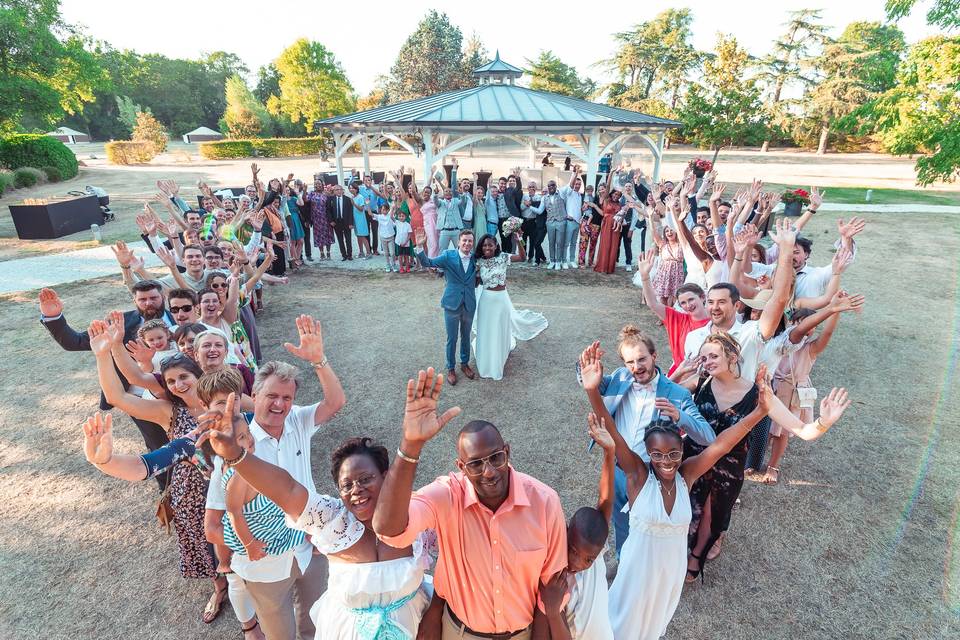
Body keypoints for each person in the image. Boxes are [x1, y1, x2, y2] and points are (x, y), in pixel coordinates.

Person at [202, 393, 437, 640]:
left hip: (414, 626)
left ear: (386, 476)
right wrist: (236, 456)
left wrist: (412, 444)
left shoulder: (417, 513)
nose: (356, 489)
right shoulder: (331, 518)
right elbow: (288, 489)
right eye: (347, 485)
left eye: (366, 479)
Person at [579, 342, 770, 640]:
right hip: (636, 573)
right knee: (620, 627)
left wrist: (759, 411)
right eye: (657, 454)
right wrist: (592, 391)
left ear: (682, 451)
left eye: (672, 454)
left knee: (653, 628)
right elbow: (614, 434)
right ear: (648, 454)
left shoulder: (687, 476)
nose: (666, 461)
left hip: (670, 576)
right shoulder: (638, 476)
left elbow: (722, 444)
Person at [373, 368, 567, 640]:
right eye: (475, 464)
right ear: (461, 467)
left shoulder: (545, 502)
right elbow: (389, 529)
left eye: (496, 458)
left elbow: (551, 589)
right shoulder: (447, 496)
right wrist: (411, 444)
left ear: (507, 452)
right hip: (461, 633)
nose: (488, 471)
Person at [82, 372, 265, 640]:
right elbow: (144, 466)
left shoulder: (257, 423)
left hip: (267, 514)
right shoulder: (193, 441)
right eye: (217, 404)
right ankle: (249, 626)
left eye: (232, 402)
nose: (227, 410)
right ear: (202, 406)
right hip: (229, 525)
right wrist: (105, 461)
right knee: (236, 576)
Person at [672, 332, 851, 582]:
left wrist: (823, 422)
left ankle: (695, 559)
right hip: (692, 460)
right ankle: (675, 555)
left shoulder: (759, 394)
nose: (708, 361)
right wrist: (679, 373)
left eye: (714, 355)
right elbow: (661, 396)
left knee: (710, 519)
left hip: (727, 468)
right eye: (704, 357)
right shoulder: (700, 382)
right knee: (684, 511)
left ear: (732, 357)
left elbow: (803, 430)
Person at [87, 319, 226, 622]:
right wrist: (103, 355)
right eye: (172, 381)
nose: (179, 384)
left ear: (198, 375)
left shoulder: (222, 402)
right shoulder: (168, 412)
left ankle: (241, 581)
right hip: (190, 492)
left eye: (184, 376)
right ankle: (219, 587)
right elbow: (117, 397)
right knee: (202, 540)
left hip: (230, 487)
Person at [576, 327, 713, 555]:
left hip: (650, 475)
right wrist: (584, 371)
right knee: (620, 522)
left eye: (642, 359)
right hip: (617, 469)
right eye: (630, 362)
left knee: (647, 528)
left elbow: (707, 436)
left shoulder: (678, 394)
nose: (637, 367)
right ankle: (622, 561)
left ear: (654, 356)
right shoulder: (620, 377)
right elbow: (594, 382)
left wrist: (680, 416)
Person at [38, 283, 174, 479]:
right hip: (138, 398)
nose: (148, 303)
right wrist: (53, 317)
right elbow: (73, 341)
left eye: (153, 298)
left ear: (163, 297)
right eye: (142, 300)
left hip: (179, 392)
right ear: (134, 301)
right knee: (159, 448)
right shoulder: (120, 323)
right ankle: (167, 491)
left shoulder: (181, 313)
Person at [682, 218, 799, 383]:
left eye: (722, 302)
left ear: (737, 305)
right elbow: (690, 376)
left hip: (740, 408)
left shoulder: (750, 333)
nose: (714, 307)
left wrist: (786, 251)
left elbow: (779, 300)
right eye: (711, 302)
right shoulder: (694, 337)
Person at [537, 413, 616, 640]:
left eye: (588, 559)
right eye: (572, 550)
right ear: (566, 532)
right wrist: (552, 611)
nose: (577, 562)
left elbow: (605, 504)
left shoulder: (594, 552)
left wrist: (610, 453)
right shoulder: (555, 579)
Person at [472, 234, 548, 380]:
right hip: (486, 301)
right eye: (484, 245)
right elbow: (476, 284)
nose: (487, 247)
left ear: (496, 246)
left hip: (501, 300)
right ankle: (487, 361)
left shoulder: (503, 257)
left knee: (500, 329)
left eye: (490, 245)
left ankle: (498, 359)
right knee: (487, 329)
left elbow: (522, 257)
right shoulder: (478, 262)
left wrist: (519, 240)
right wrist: (475, 277)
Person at [415, 229, 477, 386]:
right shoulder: (449, 256)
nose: (467, 243)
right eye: (464, 240)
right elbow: (428, 263)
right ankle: (450, 368)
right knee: (452, 338)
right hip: (452, 303)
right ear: (458, 242)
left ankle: (464, 364)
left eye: (470, 241)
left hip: (469, 303)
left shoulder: (476, 258)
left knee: (466, 336)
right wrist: (420, 246)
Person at [635, 251, 710, 374]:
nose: (688, 305)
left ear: (702, 297)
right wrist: (645, 277)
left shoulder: (714, 323)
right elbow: (652, 303)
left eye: (691, 299)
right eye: (683, 303)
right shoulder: (677, 319)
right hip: (680, 373)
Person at [558, 167, 584, 269]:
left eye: (579, 184)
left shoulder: (579, 195)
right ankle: (564, 261)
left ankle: (572, 260)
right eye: (576, 184)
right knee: (566, 243)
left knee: (574, 243)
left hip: (577, 222)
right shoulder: (569, 193)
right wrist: (576, 174)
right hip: (569, 222)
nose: (577, 186)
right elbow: (570, 184)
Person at [593, 183, 622, 275]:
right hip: (606, 225)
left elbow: (621, 216)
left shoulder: (619, 205)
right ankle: (602, 266)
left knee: (614, 246)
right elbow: (608, 186)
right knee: (605, 245)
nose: (616, 196)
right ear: (611, 193)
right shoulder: (606, 200)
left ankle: (610, 268)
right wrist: (611, 173)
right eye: (615, 194)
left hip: (615, 227)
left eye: (618, 195)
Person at [326, 185, 355, 261]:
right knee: (340, 239)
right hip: (336, 223)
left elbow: (350, 212)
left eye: (340, 189)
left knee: (348, 239)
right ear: (334, 191)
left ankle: (349, 255)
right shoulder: (331, 199)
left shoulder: (348, 199)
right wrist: (331, 221)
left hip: (346, 222)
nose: (338, 191)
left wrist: (351, 223)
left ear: (342, 190)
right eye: (336, 190)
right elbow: (328, 211)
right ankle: (344, 255)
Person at [308, 179, 333, 261]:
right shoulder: (311, 194)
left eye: (319, 183)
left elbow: (330, 206)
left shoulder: (326, 193)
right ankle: (322, 253)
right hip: (316, 219)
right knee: (319, 236)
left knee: (328, 235)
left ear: (322, 184)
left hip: (326, 218)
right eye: (315, 184)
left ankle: (328, 252)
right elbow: (306, 201)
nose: (317, 185)